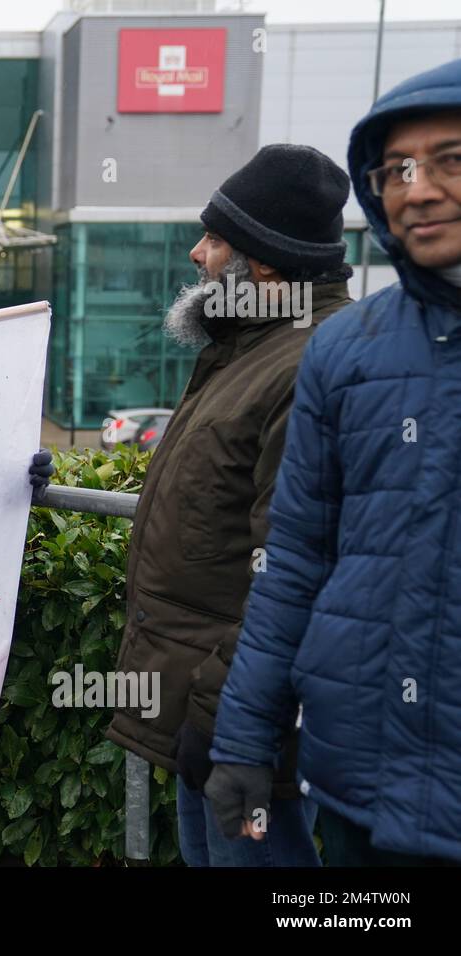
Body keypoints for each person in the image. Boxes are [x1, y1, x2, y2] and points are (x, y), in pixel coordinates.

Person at [207, 58, 461, 866]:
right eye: (395, 170)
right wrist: (242, 740)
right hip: (357, 788)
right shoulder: (346, 350)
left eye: (450, 160)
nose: (417, 189)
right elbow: (293, 564)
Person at [105, 145, 355, 866]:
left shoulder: (308, 362)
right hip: (215, 708)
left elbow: (294, 567)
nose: (196, 253)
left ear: (266, 264)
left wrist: (222, 713)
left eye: (215, 239)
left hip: (245, 724)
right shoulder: (250, 347)